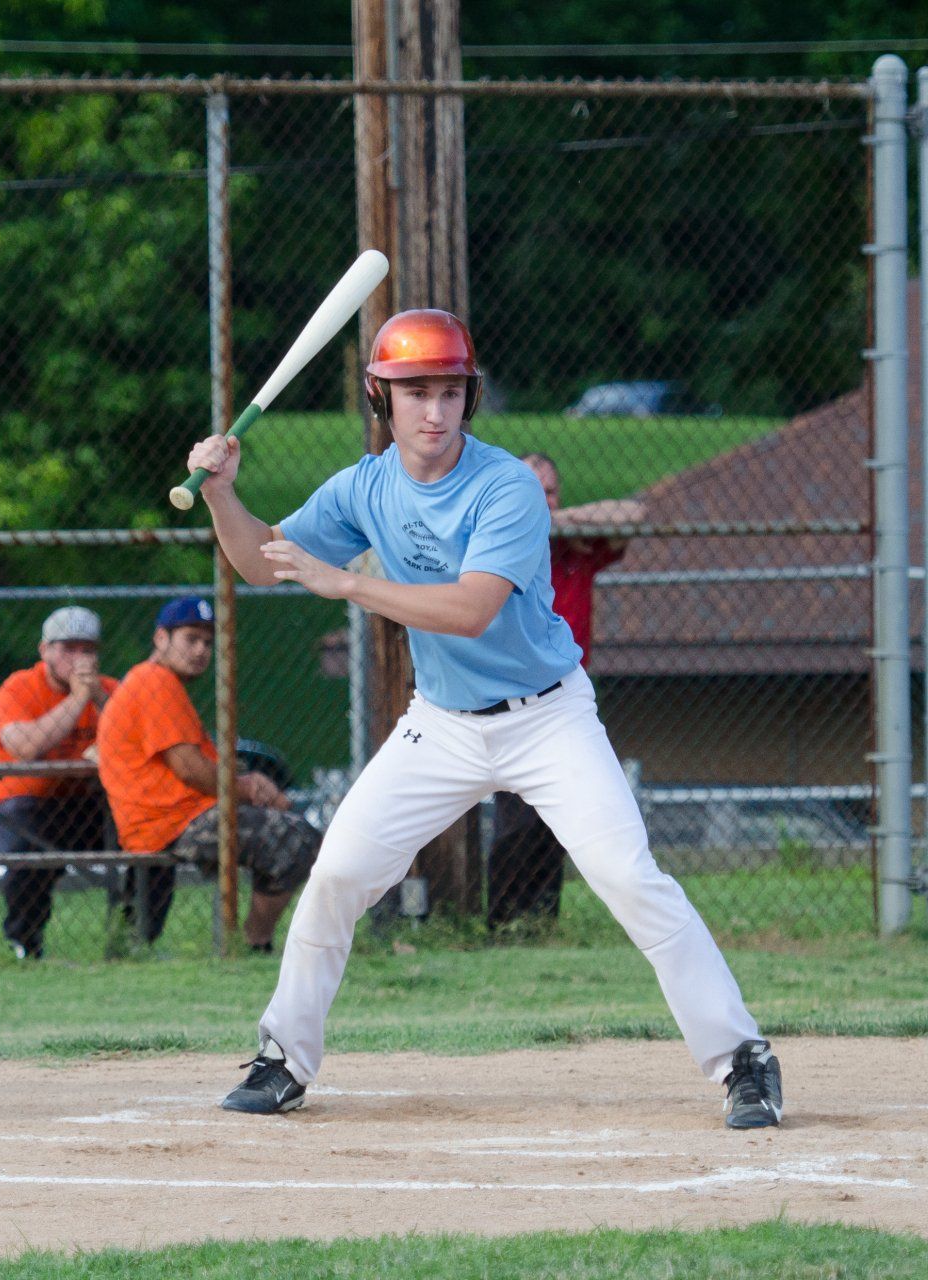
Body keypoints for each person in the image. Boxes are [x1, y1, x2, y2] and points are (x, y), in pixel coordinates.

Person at [186, 308, 781, 1129]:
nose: (433, 411)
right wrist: (223, 494)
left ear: (469, 399)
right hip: (444, 724)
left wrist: (349, 583)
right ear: (380, 399)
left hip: (548, 719)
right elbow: (260, 562)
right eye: (413, 392)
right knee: (337, 877)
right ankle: (282, 1058)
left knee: (629, 879)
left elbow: (470, 610)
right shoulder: (365, 485)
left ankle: (743, 1060)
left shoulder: (505, 486)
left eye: (449, 392)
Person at [94, 597, 319, 950]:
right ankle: (254, 944)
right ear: (160, 639)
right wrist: (248, 787)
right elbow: (189, 769)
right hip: (171, 823)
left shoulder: (155, 682)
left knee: (289, 830)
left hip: (175, 818)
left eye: (208, 642)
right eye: (190, 639)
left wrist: (254, 787)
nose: (201, 650)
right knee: (297, 839)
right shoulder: (154, 681)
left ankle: (251, 943)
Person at [487, 453, 647, 929]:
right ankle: (503, 920)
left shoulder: (574, 546)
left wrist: (561, 519)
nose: (544, 500)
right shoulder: (504, 544)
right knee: (517, 812)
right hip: (511, 692)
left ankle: (541, 920)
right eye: (533, 490)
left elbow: (632, 514)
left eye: (550, 490)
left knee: (558, 813)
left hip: (567, 695)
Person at [0, 605, 118, 960]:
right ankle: (25, 943)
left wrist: (101, 701)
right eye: (67, 648)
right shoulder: (19, 688)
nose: (79, 658)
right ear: (44, 651)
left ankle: (132, 937)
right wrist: (78, 699)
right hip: (11, 803)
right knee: (28, 842)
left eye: (87, 649)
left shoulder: (109, 692)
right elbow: (26, 748)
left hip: (78, 804)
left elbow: (144, 744)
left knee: (145, 831)